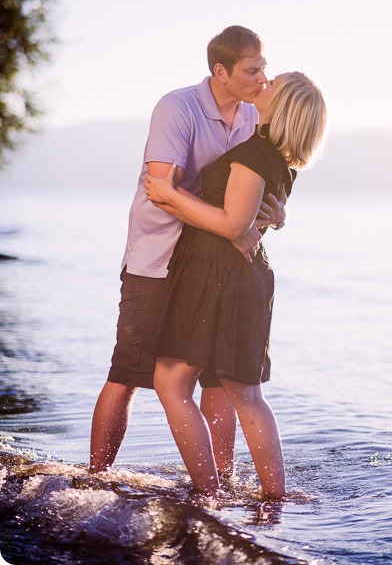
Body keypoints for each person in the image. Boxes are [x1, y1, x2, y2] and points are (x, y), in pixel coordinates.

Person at [89, 25, 287, 474]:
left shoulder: (255, 119)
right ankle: (94, 480)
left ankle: (219, 488)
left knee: (217, 380)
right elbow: (161, 188)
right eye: (251, 70)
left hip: (214, 268)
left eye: (264, 68)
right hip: (157, 261)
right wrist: (233, 228)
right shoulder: (177, 107)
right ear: (220, 71)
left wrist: (272, 216)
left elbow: (257, 193)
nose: (261, 78)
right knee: (127, 375)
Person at [143, 71, 327, 499]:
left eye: (272, 84)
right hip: (242, 274)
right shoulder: (280, 159)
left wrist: (169, 194)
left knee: (172, 383)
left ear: (281, 105)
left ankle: (209, 493)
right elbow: (251, 221)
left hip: (217, 273)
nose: (263, 84)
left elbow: (231, 224)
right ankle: (272, 497)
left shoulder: (255, 155)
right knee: (245, 392)